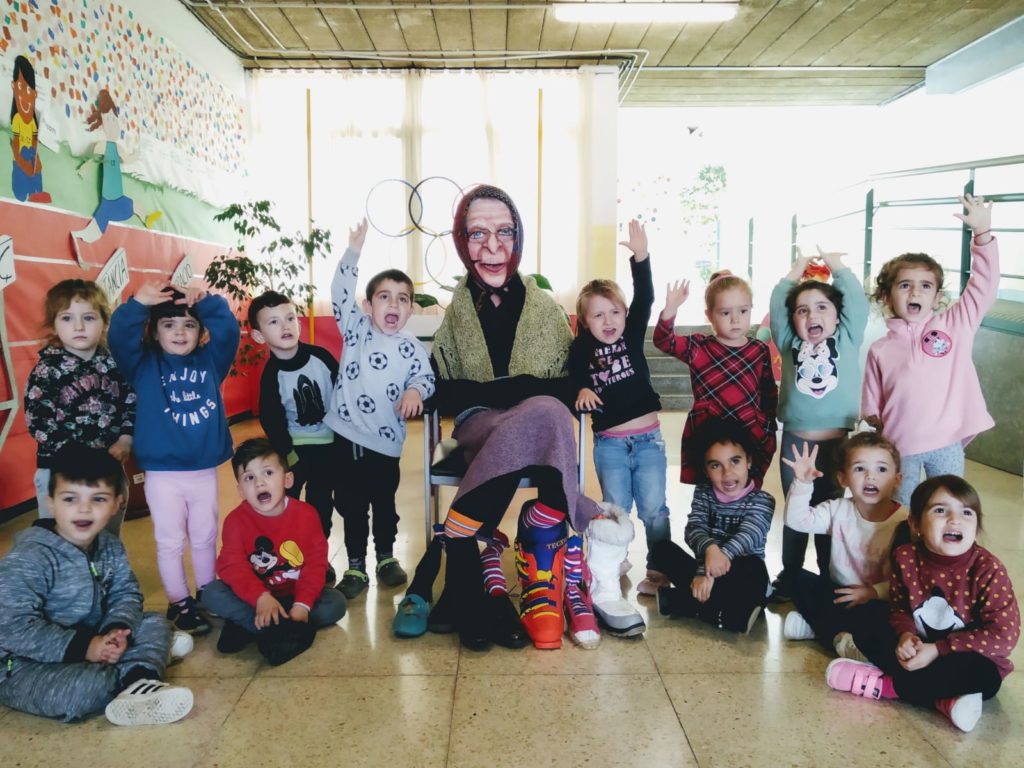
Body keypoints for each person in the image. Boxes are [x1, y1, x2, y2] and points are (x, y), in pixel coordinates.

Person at [393, 184, 641, 651]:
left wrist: (510, 392)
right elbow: (447, 391)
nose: (492, 246)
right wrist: (521, 389)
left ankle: (464, 546)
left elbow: (567, 385)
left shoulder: (545, 309)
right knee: (541, 411)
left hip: (535, 429)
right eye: (477, 233)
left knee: (545, 411)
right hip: (476, 428)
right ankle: (521, 561)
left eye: (504, 232)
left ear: (519, 237)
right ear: (462, 242)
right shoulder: (457, 313)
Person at [0, 444, 193, 725]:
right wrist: (86, 648)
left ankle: (140, 682)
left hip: (95, 635)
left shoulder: (109, 546)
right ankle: (143, 662)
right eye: (70, 499)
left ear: (116, 504)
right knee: (86, 687)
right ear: (51, 502)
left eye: (98, 499)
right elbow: (11, 628)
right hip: (23, 664)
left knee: (153, 622)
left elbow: (126, 593)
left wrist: (114, 630)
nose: (84, 509)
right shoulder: (30, 557)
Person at [825, 475, 1019, 733]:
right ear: (915, 523)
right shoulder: (906, 557)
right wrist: (906, 635)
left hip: (961, 657)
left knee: (985, 677)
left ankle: (886, 685)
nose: (955, 519)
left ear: (977, 526)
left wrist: (938, 649)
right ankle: (944, 699)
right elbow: (899, 608)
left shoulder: (988, 569)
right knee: (867, 617)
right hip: (916, 649)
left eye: (966, 512)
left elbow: (1004, 637)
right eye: (940, 510)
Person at [108, 280, 240, 635]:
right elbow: (119, 337)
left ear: (201, 332)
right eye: (169, 325)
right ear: (154, 331)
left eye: (189, 324)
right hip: (162, 474)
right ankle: (179, 601)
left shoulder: (211, 361)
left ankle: (208, 592)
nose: (180, 332)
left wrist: (206, 302)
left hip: (203, 471)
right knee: (170, 540)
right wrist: (138, 304)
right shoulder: (142, 365)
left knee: (205, 535)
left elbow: (229, 332)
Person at [323, 219, 436, 600]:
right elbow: (339, 292)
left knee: (385, 505)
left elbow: (426, 378)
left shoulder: (411, 348)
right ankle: (356, 565)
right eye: (385, 297)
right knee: (351, 506)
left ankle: (386, 557)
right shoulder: (356, 329)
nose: (394, 304)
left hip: (387, 444)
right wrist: (353, 252)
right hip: (348, 436)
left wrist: (415, 391)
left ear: (410, 310)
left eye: (402, 299)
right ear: (368, 306)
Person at [863, 193, 997, 505]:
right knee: (900, 508)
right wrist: (873, 418)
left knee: (946, 504)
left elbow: (984, 286)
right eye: (904, 285)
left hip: (947, 442)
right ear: (887, 297)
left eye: (925, 286)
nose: (915, 291)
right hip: (900, 445)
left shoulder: (956, 324)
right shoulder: (880, 349)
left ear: (937, 298)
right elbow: (872, 401)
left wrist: (983, 235)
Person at [571, 219, 670, 596]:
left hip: (648, 441)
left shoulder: (630, 333)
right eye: (598, 315)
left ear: (626, 315)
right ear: (585, 322)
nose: (608, 321)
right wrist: (581, 388)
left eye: (614, 312)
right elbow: (571, 380)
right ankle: (615, 558)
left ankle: (659, 570)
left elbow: (645, 296)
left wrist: (641, 257)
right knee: (614, 506)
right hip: (610, 444)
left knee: (654, 508)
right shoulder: (581, 349)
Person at [768, 246, 869, 602]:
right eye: (803, 310)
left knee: (832, 512)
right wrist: (796, 268)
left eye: (822, 307)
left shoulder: (848, 337)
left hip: (838, 445)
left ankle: (830, 576)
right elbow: (777, 305)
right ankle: (791, 574)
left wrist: (837, 267)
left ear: (838, 317)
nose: (812, 315)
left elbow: (856, 302)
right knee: (796, 509)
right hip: (797, 442)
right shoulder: (789, 342)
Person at [201, 439, 347, 665]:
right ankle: (276, 627)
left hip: (294, 594)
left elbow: (315, 564)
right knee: (211, 593)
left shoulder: (307, 515)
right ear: (241, 490)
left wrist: (302, 605)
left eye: (268, 473)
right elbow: (232, 566)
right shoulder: (235, 521)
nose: (259, 483)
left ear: (288, 480)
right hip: (254, 598)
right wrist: (260, 598)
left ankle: (258, 626)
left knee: (336, 604)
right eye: (249, 478)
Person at [781, 432, 907, 660]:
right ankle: (836, 634)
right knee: (796, 578)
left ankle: (822, 630)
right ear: (843, 479)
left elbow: (908, 580)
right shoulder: (837, 509)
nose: (870, 476)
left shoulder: (905, 522)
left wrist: (873, 592)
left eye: (881, 469)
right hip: (839, 592)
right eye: (859, 469)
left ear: (897, 479)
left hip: (880, 599)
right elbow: (796, 521)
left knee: (885, 617)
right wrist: (802, 483)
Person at [25, 279, 135, 533]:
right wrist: (78, 457)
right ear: (53, 324)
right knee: (62, 539)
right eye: (66, 318)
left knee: (107, 535)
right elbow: (39, 421)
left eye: (88, 317)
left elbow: (130, 403)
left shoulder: (114, 364)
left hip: (108, 467)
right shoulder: (47, 369)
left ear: (104, 321)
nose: (78, 326)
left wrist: (126, 439)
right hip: (60, 470)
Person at [653, 270, 777, 488]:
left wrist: (767, 426)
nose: (735, 319)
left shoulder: (758, 350)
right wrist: (671, 309)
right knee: (709, 492)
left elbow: (768, 393)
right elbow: (664, 341)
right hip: (708, 434)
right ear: (709, 315)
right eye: (725, 313)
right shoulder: (699, 347)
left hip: (748, 430)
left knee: (746, 490)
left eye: (743, 311)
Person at [651, 419, 774, 635]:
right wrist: (709, 551)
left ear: (749, 461)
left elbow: (749, 535)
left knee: (753, 567)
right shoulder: (704, 492)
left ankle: (686, 603)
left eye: (735, 461)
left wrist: (708, 573)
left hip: (741, 579)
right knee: (662, 549)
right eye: (716, 465)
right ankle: (725, 613)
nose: (727, 473)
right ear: (706, 470)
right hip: (704, 571)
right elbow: (694, 528)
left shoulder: (763, 500)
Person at [249, 289, 339, 583]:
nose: (285, 326)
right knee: (288, 506)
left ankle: (318, 559)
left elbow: (343, 396)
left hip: (328, 447)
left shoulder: (321, 358)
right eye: (273, 322)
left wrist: (344, 442)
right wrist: (288, 454)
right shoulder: (271, 374)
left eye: (289, 318)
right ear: (259, 335)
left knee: (321, 506)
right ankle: (288, 560)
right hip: (292, 453)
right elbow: (271, 419)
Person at [9, 54, 51, 203]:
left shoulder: (33, 122)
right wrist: (21, 163)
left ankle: (37, 191)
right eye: (20, 87)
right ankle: (24, 190)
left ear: (35, 94)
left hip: (31, 155)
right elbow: (16, 144)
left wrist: (37, 161)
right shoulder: (17, 119)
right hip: (20, 158)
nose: (25, 96)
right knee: (20, 195)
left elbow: (34, 142)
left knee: (36, 170)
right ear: (13, 87)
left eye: (29, 90)